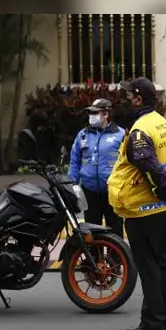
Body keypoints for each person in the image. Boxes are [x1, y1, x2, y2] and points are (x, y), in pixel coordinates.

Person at [107, 77, 166, 330]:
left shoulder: (140, 130)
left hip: (142, 210)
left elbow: (149, 165)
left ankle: (152, 323)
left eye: (129, 97)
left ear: (139, 99)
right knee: (163, 262)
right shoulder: (161, 123)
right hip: (161, 208)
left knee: (149, 267)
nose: (126, 101)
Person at [67, 98, 126, 238]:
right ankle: (93, 259)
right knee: (91, 232)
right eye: (90, 113)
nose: (91, 117)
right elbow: (75, 162)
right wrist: (71, 185)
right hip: (89, 192)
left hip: (112, 192)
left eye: (95, 113)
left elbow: (127, 164)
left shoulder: (120, 135)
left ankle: (117, 260)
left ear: (105, 114)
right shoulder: (83, 135)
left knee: (115, 230)